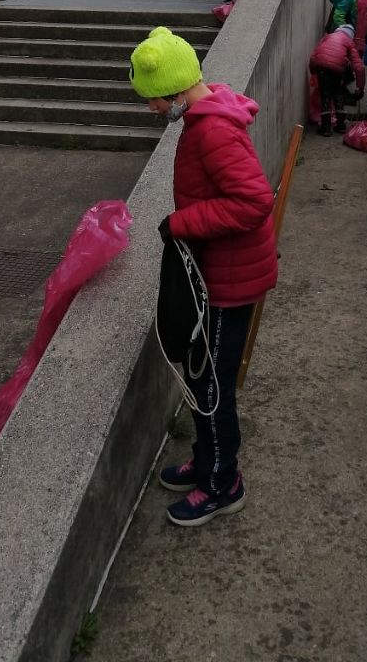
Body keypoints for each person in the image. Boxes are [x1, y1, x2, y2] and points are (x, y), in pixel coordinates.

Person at [129, 27, 277, 527]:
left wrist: (180, 224)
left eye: (151, 99)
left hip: (230, 282)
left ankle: (223, 482)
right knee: (201, 377)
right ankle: (207, 457)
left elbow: (255, 200)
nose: (150, 109)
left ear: (172, 89)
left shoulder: (211, 131)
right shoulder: (202, 118)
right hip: (218, 271)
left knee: (211, 384)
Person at [308, 23, 365, 136]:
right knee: (338, 93)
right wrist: (360, 87)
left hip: (321, 68)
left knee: (325, 95)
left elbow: (315, 54)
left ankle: (326, 128)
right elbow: (359, 66)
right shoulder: (349, 42)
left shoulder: (327, 36)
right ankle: (341, 125)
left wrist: (313, 70)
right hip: (337, 69)